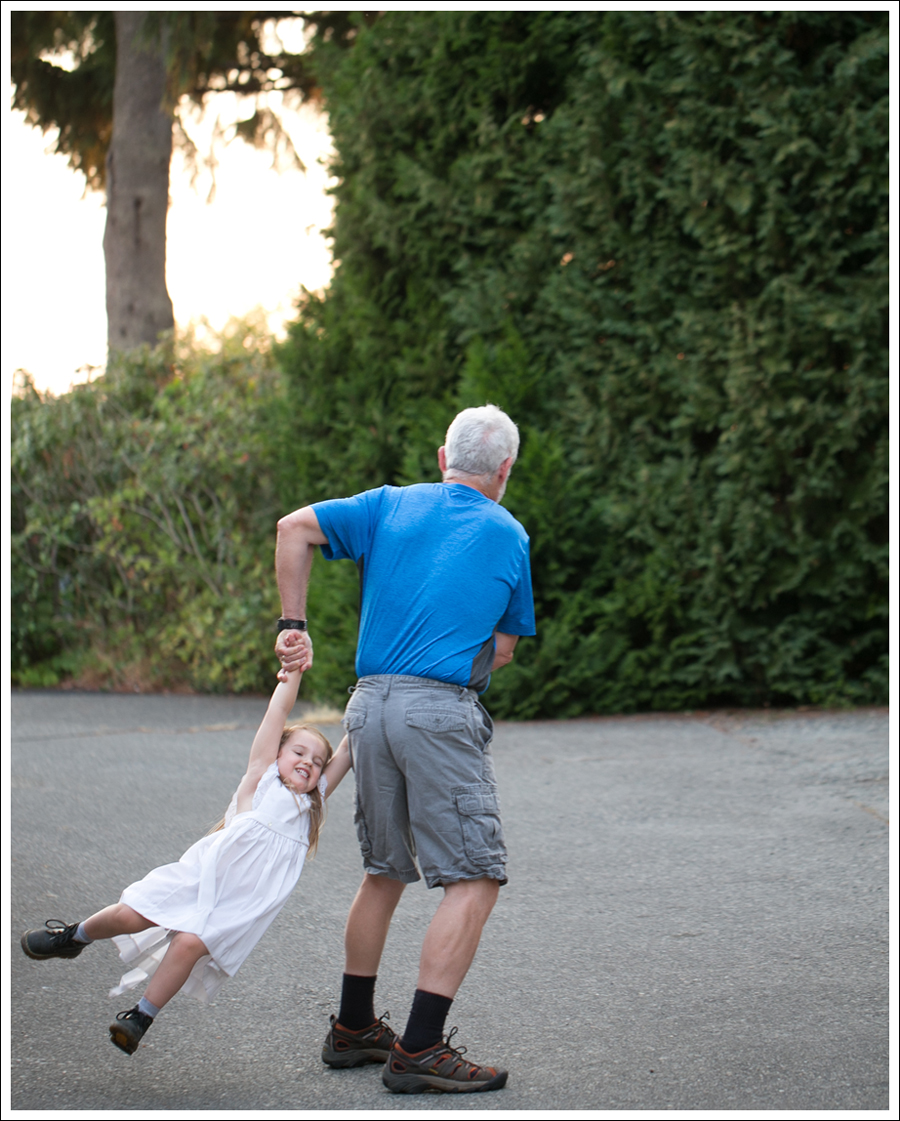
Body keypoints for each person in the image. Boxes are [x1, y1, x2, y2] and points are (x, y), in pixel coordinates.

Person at [275, 404, 535, 1094]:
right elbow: (503, 648)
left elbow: (293, 528)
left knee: (384, 868)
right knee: (475, 876)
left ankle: (354, 1026)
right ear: (505, 468)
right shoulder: (509, 533)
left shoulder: (387, 504)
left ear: (442, 455)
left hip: (368, 702)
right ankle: (419, 1047)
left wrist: (292, 625)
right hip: (436, 710)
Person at [20, 665, 352, 1056]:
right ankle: (74, 936)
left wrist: (368, 697)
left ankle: (140, 1017)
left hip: (239, 904)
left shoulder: (311, 805)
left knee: (190, 944)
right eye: (299, 752)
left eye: (317, 761)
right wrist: (293, 672)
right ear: (278, 753)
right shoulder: (261, 778)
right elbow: (278, 713)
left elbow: (347, 750)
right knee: (132, 915)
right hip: (203, 877)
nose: (309, 763)